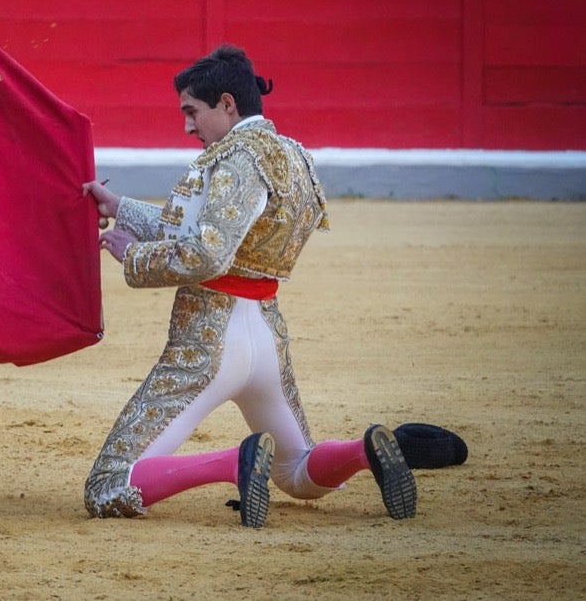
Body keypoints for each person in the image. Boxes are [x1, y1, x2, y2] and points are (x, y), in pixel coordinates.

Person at [81, 44, 419, 527]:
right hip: (265, 333)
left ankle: (230, 464)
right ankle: (362, 452)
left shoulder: (236, 159)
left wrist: (133, 254)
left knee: (108, 485)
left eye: (192, 112)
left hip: (208, 340)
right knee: (297, 472)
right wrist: (121, 207)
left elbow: (207, 253)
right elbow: (212, 232)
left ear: (226, 104)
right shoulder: (291, 154)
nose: (187, 126)